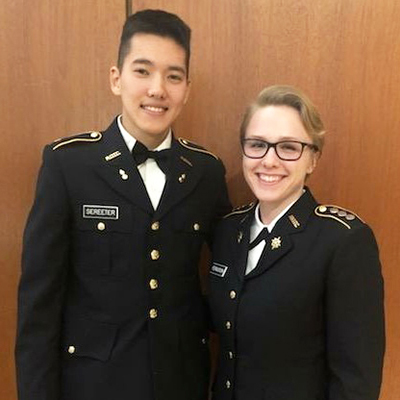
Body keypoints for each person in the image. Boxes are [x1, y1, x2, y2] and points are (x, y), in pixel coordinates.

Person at [16, 9, 231, 400]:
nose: (157, 89)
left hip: (181, 384)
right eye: (142, 71)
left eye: (173, 76)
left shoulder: (206, 172)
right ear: (116, 79)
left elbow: (229, 280)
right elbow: (39, 308)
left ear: (187, 88)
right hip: (93, 386)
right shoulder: (69, 165)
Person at [209, 85, 385, 400]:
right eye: (257, 144)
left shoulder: (343, 241)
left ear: (313, 158)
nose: (269, 160)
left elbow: (355, 380)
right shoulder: (227, 230)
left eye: (289, 147)